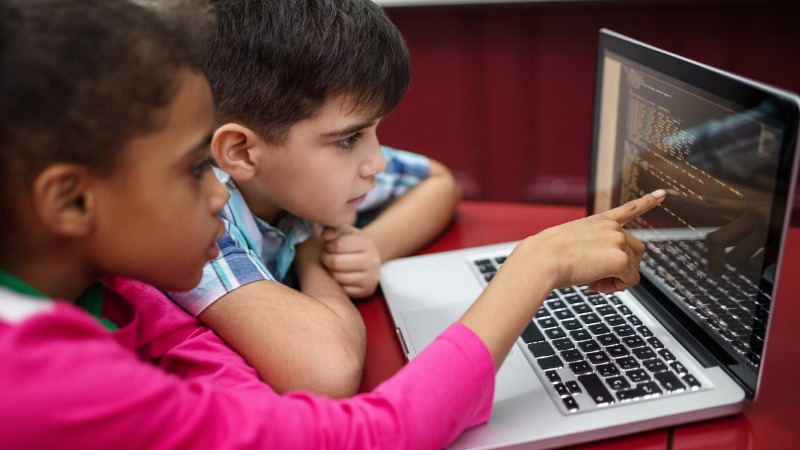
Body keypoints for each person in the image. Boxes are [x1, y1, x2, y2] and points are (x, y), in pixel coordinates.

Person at [0, 0, 666, 448]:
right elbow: (359, 429)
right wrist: (536, 266)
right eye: (192, 169)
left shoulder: (129, 291)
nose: (216, 193)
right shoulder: (42, 379)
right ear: (69, 203)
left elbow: (236, 391)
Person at [166, 0, 462, 397]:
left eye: (376, 130)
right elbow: (327, 372)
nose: (375, 162)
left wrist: (372, 247)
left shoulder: (298, 170)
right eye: (349, 138)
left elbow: (440, 182)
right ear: (240, 152)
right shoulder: (198, 218)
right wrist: (315, 254)